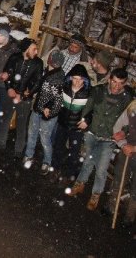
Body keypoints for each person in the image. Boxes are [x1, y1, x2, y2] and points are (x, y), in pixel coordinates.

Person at [68, 68, 133, 211]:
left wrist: (124, 131)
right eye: (114, 82)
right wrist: (84, 121)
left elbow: (129, 120)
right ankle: (80, 184)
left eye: (120, 83)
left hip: (109, 139)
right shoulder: (98, 91)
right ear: (109, 79)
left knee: (101, 169)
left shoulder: (127, 98)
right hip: (92, 133)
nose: (116, 86)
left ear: (125, 83)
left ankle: (96, 194)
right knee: (87, 162)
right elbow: (88, 107)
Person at [0, 38, 43, 154]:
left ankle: (18, 149)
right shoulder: (14, 57)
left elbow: (37, 83)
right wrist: (9, 88)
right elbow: (6, 74)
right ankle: (1, 143)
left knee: (21, 124)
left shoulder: (38, 63)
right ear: (26, 49)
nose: (36, 52)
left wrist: (23, 95)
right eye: (34, 49)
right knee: (5, 119)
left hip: (25, 99)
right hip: (11, 94)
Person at [23, 51, 65, 175]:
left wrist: (49, 110)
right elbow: (40, 86)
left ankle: (47, 162)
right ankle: (28, 155)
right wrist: (30, 92)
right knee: (32, 133)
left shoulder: (59, 78)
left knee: (44, 138)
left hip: (47, 114)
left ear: (50, 60)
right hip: (38, 109)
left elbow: (58, 98)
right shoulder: (47, 71)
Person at [51, 63, 91, 181]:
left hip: (77, 128)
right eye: (75, 78)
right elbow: (56, 99)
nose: (77, 82)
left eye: (80, 79)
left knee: (74, 152)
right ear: (70, 78)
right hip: (63, 123)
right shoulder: (65, 88)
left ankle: (69, 174)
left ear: (85, 80)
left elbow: (93, 110)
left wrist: (87, 120)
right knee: (58, 148)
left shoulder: (89, 92)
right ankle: (55, 169)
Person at [103, 100, 136, 226]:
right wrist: (123, 145)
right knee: (118, 178)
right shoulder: (132, 108)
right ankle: (112, 206)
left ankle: (130, 216)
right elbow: (117, 127)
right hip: (126, 150)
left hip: (132, 149)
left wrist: (133, 148)